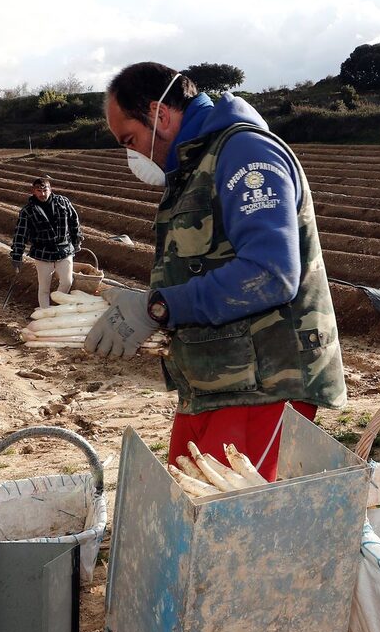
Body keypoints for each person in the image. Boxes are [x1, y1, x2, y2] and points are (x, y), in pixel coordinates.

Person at [86, 62, 347, 481]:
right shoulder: (195, 166)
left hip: (264, 385)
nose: (132, 155)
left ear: (160, 114)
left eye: (130, 140)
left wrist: (158, 309)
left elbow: (271, 274)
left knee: (233, 515)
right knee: (187, 500)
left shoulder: (246, 154)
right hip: (216, 383)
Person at [9, 176, 81, 309]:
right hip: (43, 253)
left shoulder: (63, 202)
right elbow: (20, 234)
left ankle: (56, 309)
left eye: (45, 190)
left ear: (50, 189)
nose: (42, 194)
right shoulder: (28, 211)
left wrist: (76, 240)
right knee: (44, 288)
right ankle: (45, 312)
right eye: (39, 191)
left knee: (67, 282)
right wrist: (17, 255)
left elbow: (74, 222)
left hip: (64, 249)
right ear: (33, 191)